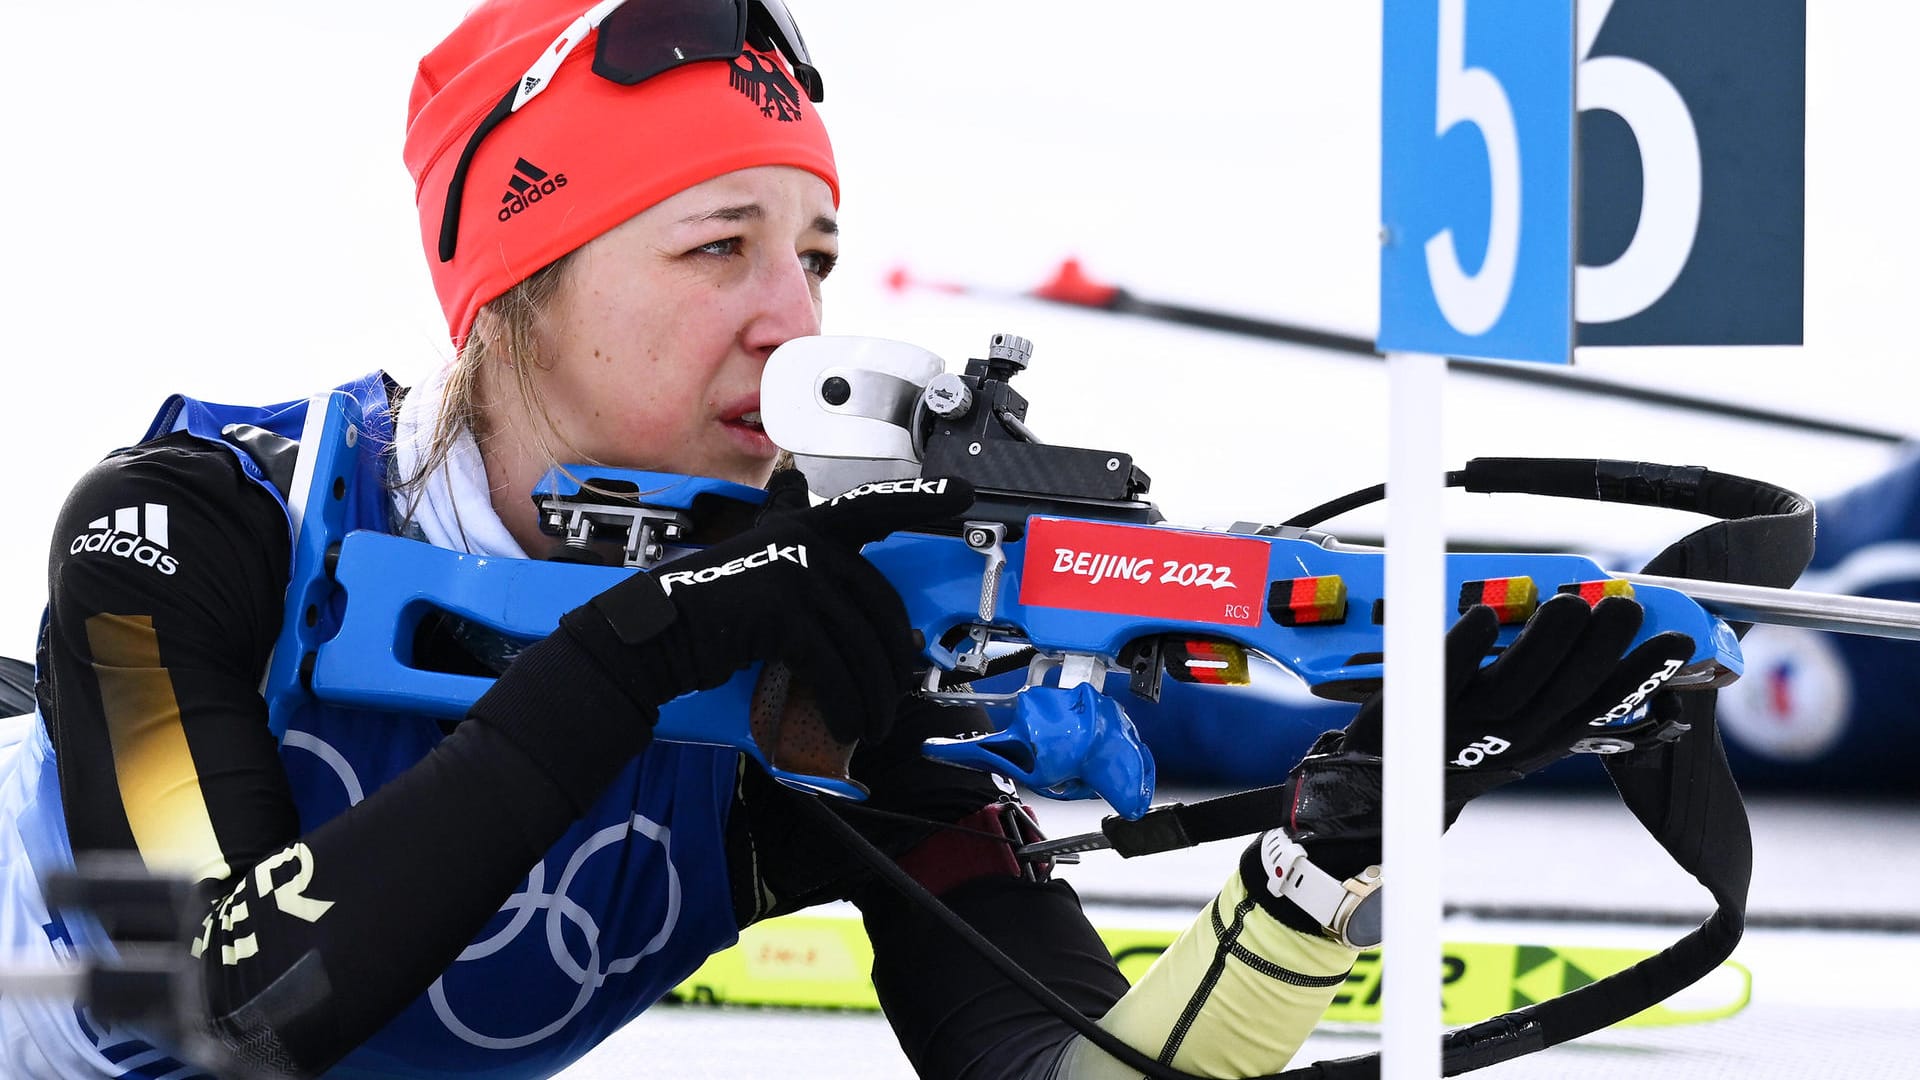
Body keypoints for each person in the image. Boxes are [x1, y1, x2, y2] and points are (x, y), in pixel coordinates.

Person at [0, 1, 1696, 1077]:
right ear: (516, 286)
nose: (791, 320)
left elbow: (1071, 1075)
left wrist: (1319, 869)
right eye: (715, 246)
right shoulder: (195, 533)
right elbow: (221, 1007)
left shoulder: (820, 626)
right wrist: (637, 656)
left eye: (814, 251)